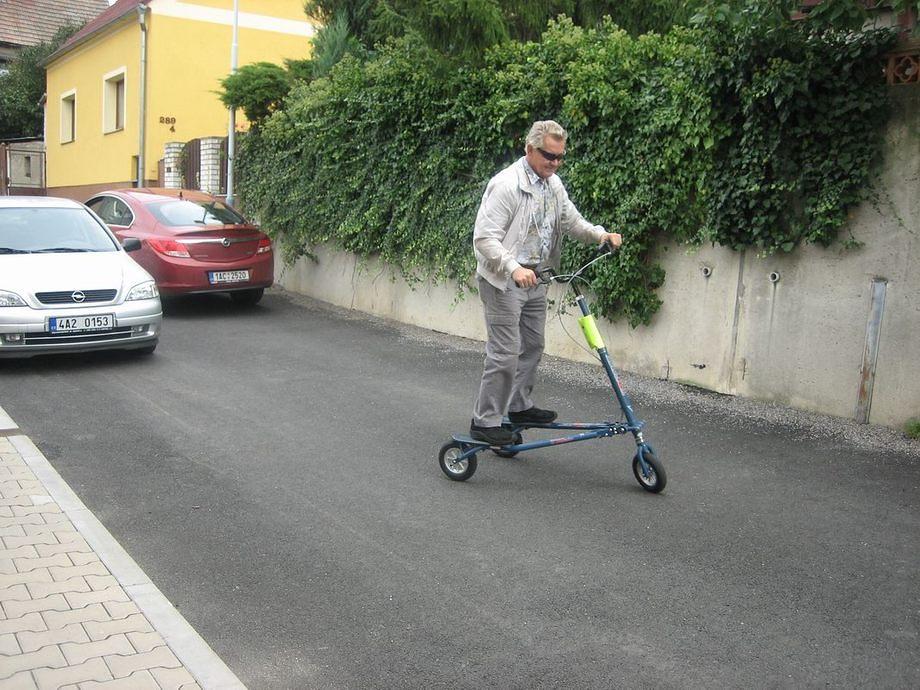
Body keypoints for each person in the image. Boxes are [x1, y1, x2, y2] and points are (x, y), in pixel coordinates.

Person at [470, 120, 623, 445]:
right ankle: (484, 421)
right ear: (529, 149)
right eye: (548, 156)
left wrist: (600, 234)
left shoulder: (552, 184)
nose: (554, 163)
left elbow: (571, 220)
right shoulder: (507, 185)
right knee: (505, 352)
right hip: (504, 280)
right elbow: (484, 238)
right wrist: (513, 267)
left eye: (559, 157)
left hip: (537, 278)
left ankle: (519, 406)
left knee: (533, 346)